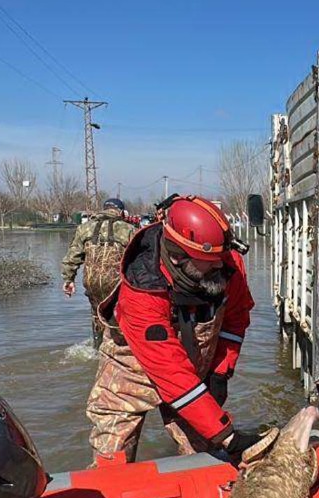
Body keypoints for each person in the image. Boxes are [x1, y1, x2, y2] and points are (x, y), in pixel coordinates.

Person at [86, 195, 261, 462]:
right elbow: (169, 370)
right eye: (210, 260)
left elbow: (236, 319)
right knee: (112, 458)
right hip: (131, 369)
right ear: (179, 257)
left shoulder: (225, 262)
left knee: (204, 456)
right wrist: (228, 435)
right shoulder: (143, 290)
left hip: (195, 369)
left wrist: (220, 371)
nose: (220, 265)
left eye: (222, 256)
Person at [61, 198, 136, 346]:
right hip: (117, 284)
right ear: (121, 212)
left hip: (92, 283)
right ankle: (118, 350)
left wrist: (68, 280)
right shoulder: (128, 229)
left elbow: (72, 257)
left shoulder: (85, 228)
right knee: (118, 320)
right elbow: (138, 260)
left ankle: (97, 348)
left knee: (97, 317)